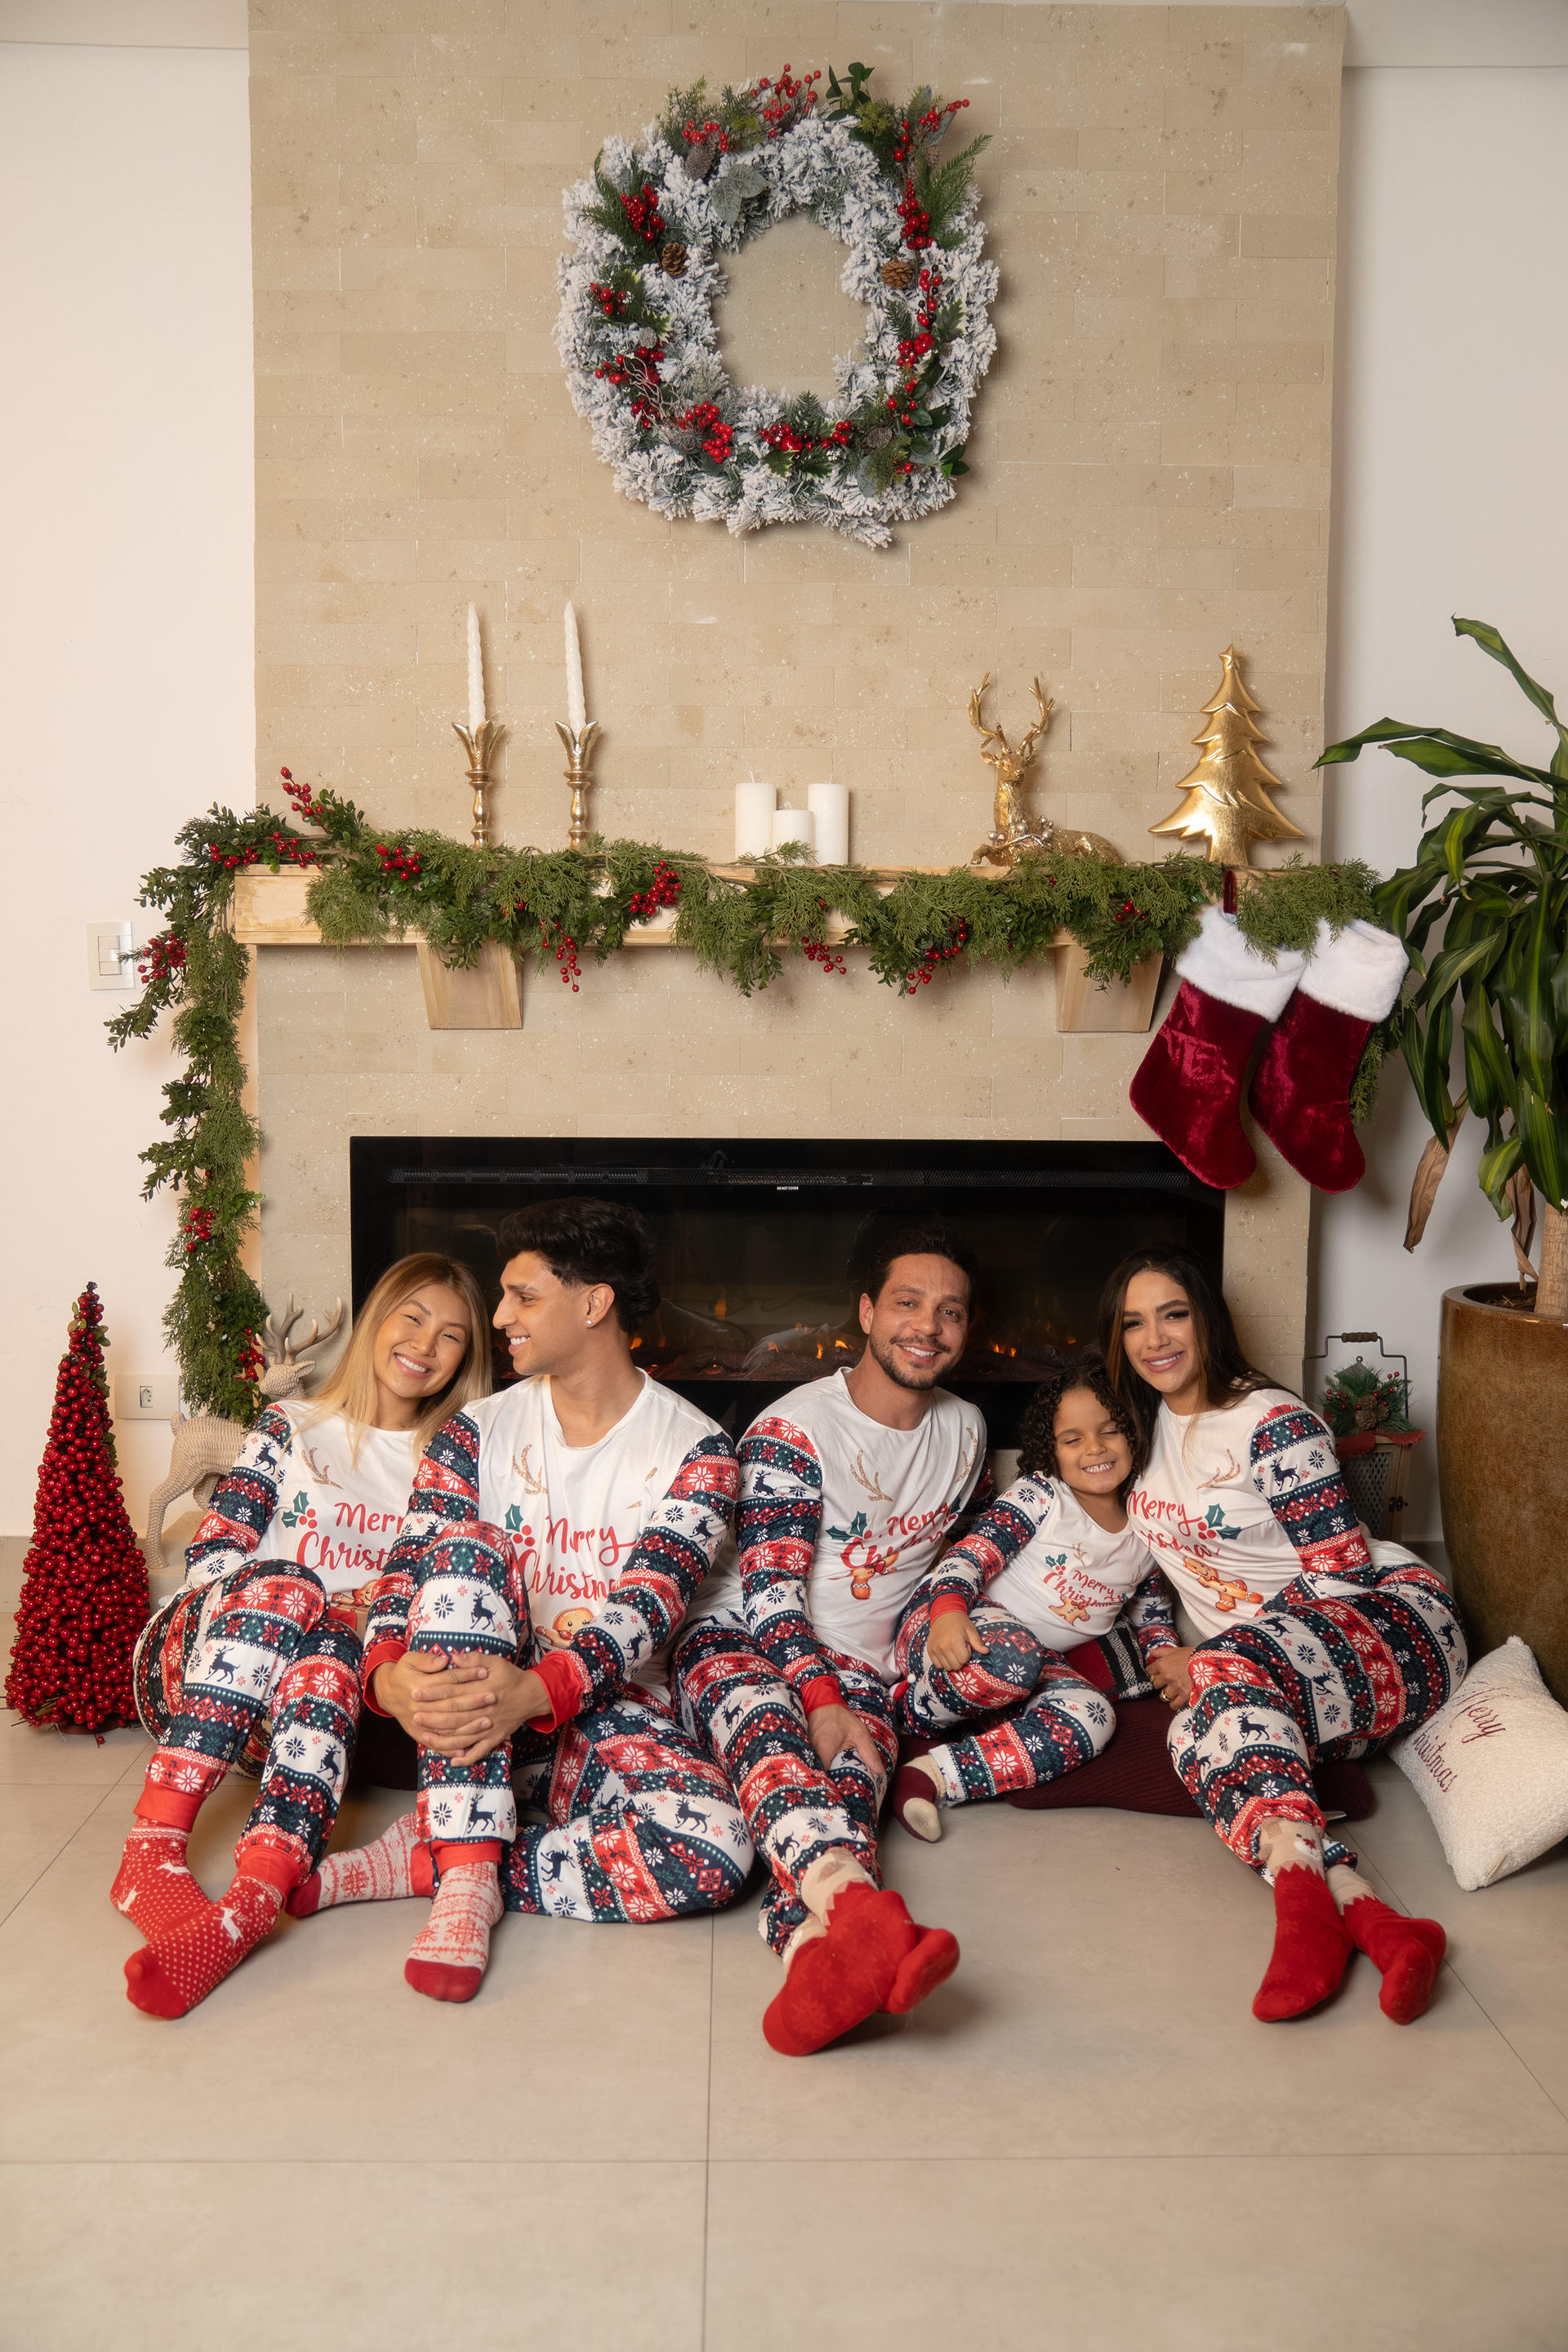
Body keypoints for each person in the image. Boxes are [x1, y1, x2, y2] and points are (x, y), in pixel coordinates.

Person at [287, 1196, 750, 2004]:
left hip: (593, 1707)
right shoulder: (474, 1430)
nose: (499, 1317)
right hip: (468, 1704)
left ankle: (435, 1854)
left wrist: (534, 1694)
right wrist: (385, 1672)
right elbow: (409, 1566)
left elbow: (649, 1603)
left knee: (716, 1850)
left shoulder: (698, 1448)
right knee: (468, 1552)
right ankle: (465, 1886)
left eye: (523, 1296)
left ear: (595, 1303)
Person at [113, 1253, 493, 2018]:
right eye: (413, 1317)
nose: (425, 1344)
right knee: (294, 1589)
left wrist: (343, 1628)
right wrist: (315, 1600)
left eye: (452, 1336)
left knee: (334, 1655)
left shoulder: (452, 1464)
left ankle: (255, 1898)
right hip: (202, 1668)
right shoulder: (289, 1426)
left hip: (320, 1707)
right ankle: (151, 1847)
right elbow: (213, 1558)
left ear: (464, 1360)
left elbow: (438, 1603)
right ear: (378, 1317)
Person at [1102, 1247, 1464, 2025]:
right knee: (1193, 1732)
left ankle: (1306, 1920)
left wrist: (1209, 1654)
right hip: (1273, 1679)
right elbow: (1156, 1569)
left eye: (1173, 1314)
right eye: (1134, 1323)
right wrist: (1168, 1648)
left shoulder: (1270, 1423)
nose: (1154, 1339)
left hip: (1396, 1626)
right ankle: (1365, 1910)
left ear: (1207, 1319)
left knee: (1220, 1686)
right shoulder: (1141, 1429)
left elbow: (1340, 1572)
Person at [675, 1226, 989, 2056]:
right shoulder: (795, 1430)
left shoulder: (965, 1429)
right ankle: (864, 1918)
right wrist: (816, 1698)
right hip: (738, 1633)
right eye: (908, 1303)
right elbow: (770, 1594)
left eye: (950, 1311)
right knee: (773, 1740)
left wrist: (943, 1618)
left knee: (851, 1789)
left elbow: (962, 1550)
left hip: (863, 1665)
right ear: (867, 1313)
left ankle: (813, 1952)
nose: (928, 1327)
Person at [889, 1349, 1176, 1839]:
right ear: (1052, 1450)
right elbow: (969, 1556)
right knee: (1012, 1658)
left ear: (1134, 1433)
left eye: (1110, 1430)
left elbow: (1153, 1618)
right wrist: (948, 1612)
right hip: (949, 1621)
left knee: (1095, 1718)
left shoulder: (1150, 1527)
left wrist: (1169, 1664)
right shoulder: (1042, 1496)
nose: (1095, 1448)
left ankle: (934, 1774)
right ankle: (905, 1709)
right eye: (1073, 1439)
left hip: (1033, 1662)